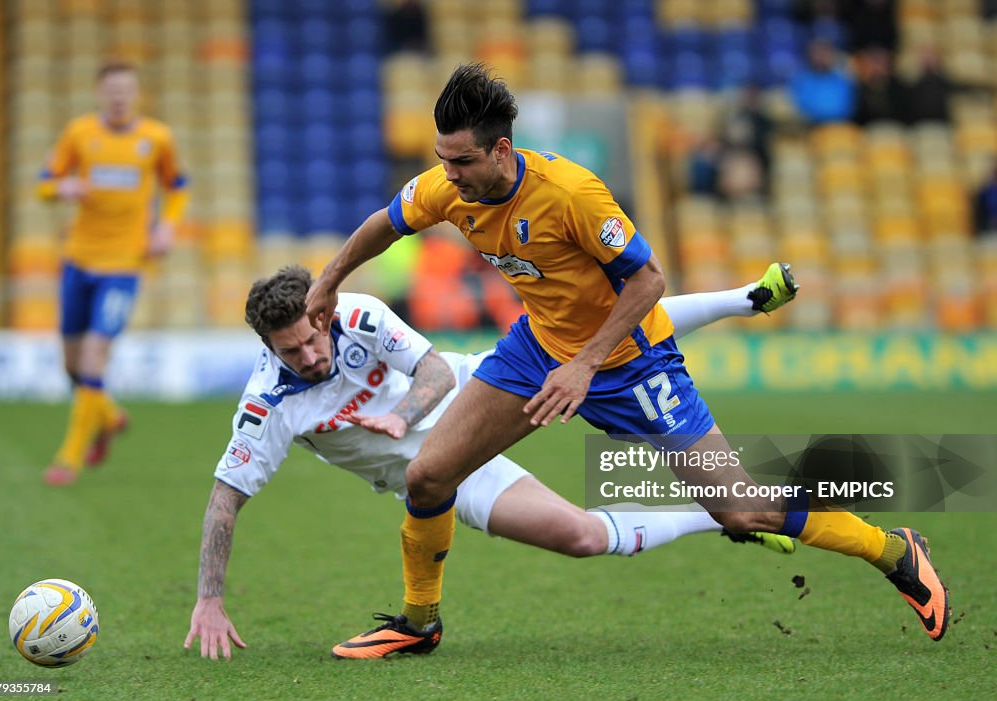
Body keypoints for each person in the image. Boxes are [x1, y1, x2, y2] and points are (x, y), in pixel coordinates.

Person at [306, 64, 950, 658]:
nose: (450, 175)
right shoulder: (448, 187)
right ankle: (418, 624)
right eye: (443, 160)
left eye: (463, 161)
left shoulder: (571, 195)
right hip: (537, 352)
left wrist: (585, 365)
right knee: (428, 476)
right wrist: (329, 280)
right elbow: (386, 222)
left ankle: (892, 550)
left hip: (634, 366)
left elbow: (648, 281)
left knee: (742, 511)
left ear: (502, 149)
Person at [184, 264, 798, 660]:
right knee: (581, 538)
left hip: (479, 395)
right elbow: (224, 499)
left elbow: (431, 369)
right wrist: (209, 598)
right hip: (442, 477)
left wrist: (402, 416)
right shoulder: (267, 407)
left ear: (322, 313)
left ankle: (745, 297)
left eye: (314, 337)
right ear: (267, 349)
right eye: (292, 351)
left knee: (590, 344)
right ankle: (716, 515)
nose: (312, 354)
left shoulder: (357, 313)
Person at [37, 61, 189, 485]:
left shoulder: (156, 138)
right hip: (78, 259)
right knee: (71, 365)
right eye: (112, 90)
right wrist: (60, 188)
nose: (119, 97)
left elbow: (177, 186)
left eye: (126, 90)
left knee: (93, 356)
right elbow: (44, 181)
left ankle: (69, 458)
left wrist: (167, 225)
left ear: (136, 95)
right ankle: (107, 415)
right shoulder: (79, 134)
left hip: (124, 264)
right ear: (100, 94)